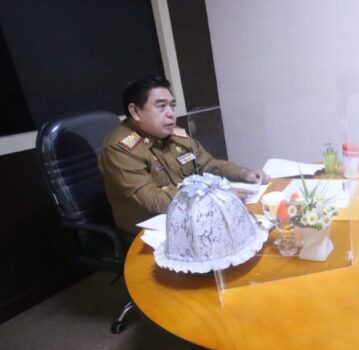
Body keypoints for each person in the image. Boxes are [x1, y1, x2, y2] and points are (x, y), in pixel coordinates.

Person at [99, 76, 269, 235]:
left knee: (255, 226)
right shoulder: (119, 148)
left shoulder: (175, 136)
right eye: (161, 106)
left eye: (172, 105)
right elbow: (154, 200)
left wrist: (243, 173)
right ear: (135, 111)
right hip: (151, 232)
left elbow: (208, 164)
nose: (170, 113)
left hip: (193, 216)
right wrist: (216, 197)